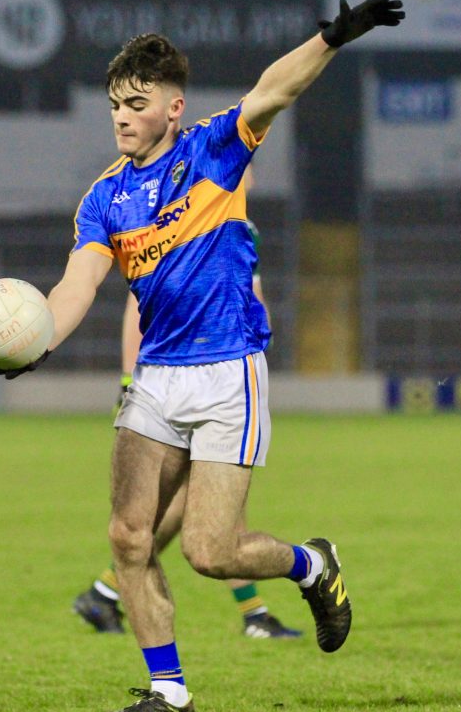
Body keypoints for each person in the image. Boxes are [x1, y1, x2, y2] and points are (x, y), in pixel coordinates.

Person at [0, 0, 405, 712]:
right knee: (127, 534)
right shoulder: (105, 199)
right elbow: (79, 281)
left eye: (137, 103)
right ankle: (169, 692)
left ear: (172, 109)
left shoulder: (213, 149)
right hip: (156, 378)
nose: (121, 116)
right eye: (115, 103)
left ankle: (312, 565)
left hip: (229, 368)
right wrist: (40, 336)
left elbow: (277, 89)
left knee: (211, 551)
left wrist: (333, 37)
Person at [73, 216, 302, 640]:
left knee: (191, 508)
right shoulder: (187, 216)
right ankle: (255, 612)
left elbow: (250, 295)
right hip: (180, 382)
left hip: (226, 375)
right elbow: (138, 307)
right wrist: (129, 381)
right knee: (202, 510)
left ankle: (106, 593)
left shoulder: (240, 223)